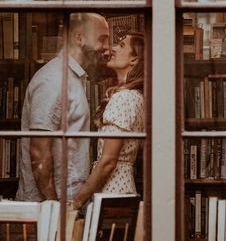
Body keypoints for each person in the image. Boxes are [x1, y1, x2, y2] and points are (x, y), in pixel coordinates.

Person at [16, 13, 110, 202]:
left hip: (67, 201)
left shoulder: (73, 78)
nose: (107, 48)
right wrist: (52, 206)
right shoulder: (54, 79)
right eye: (102, 39)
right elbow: (38, 150)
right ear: (79, 38)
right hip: (50, 208)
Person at [73, 31, 144, 210]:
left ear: (134, 60)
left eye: (121, 46)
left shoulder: (124, 98)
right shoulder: (136, 96)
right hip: (120, 190)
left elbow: (108, 162)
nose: (112, 48)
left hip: (112, 192)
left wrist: (77, 200)